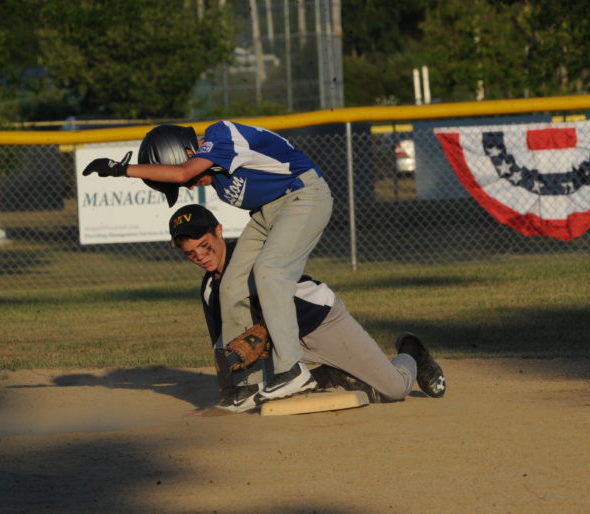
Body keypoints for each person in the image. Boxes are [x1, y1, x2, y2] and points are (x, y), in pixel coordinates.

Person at [83, 122, 333, 401]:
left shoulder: (223, 134)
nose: (190, 186)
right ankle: (246, 386)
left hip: (304, 196)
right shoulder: (220, 179)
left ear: (187, 152)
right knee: (230, 286)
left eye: (188, 182)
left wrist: (120, 169)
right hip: (268, 212)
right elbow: (186, 173)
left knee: (269, 272)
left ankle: (292, 369)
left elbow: (181, 172)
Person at [168, 203, 446, 413]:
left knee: (394, 390)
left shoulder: (250, 257)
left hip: (320, 323)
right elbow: (222, 347)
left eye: (204, 245)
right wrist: (227, 398)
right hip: (279, 344)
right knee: (258, 398)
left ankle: (411, 349)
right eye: (191, 253)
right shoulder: (209, 289)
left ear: (218, 231)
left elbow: (287, 299)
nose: (201, 257)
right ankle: (328, 374)